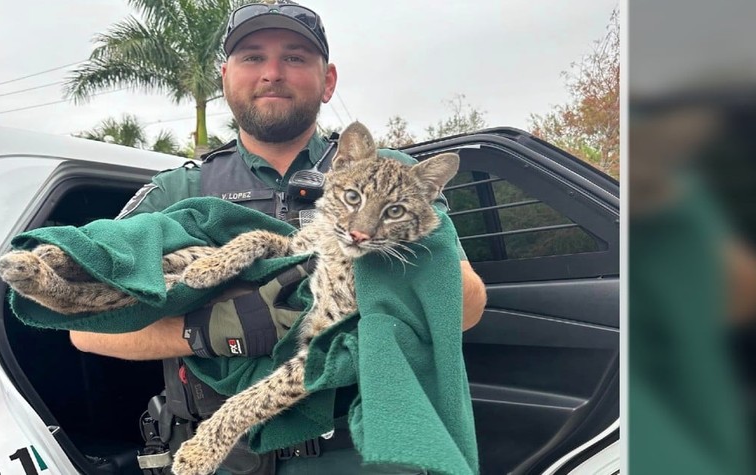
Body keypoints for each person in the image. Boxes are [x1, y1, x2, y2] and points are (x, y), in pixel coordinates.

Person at [70, 1, 486, 472]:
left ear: (327, 81)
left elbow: (467, 307)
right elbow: (86, 330)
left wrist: (370, 289)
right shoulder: (178, 190)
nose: (272, 72)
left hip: (360, 451)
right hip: (222, 457)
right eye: (252, 57)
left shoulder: (395, 174)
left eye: (294, 57)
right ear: (225, 77)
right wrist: (208, 333)